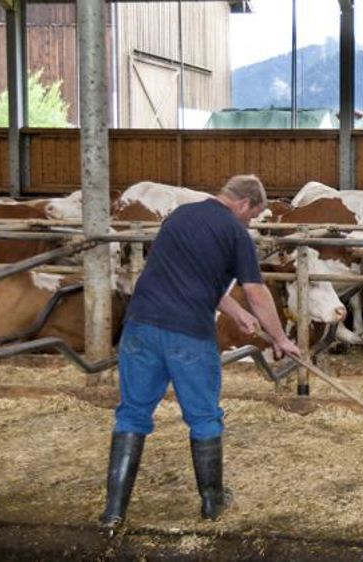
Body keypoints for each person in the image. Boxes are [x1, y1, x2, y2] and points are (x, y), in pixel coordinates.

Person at [100, 174, 300, 529]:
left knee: (131, 415)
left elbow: (191, 276)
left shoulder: (179, 216)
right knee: (204, 416)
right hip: (187, 333)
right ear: (244, 204)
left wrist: (236, 312)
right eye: (252, 215)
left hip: (140, 326)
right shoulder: (235, 232)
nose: (250, 222)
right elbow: (256, 291)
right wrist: (281, 338)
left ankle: (114, 512)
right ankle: (211, 505)